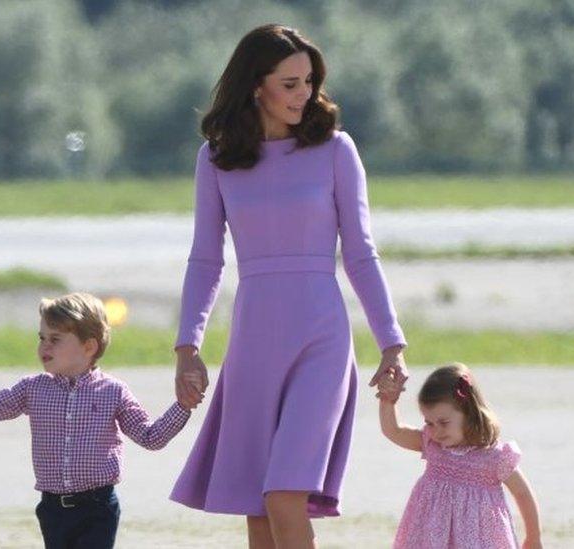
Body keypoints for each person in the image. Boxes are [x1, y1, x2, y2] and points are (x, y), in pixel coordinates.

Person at [169, 24, 408, 548]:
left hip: (321, 337)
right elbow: (206, 258)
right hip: (253, 340)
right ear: (257, 85)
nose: (305, 94)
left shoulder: (335, 150)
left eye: (309, 82)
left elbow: (361, 253)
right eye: (290, 83)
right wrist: (188, 347)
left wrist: (392, 344)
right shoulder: (216, 158)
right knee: (256, 507)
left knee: (283, 493)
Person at [0, 293, 191, 549]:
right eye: (42, 338)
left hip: (97, 507)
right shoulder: (33, 388)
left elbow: (150, 437)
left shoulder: (113, 391)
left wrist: (183, 405)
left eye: (55, 339)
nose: (44, 346)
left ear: (89, 346)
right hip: (53, 509)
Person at [377, 363, 543, 548]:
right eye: (429, 423)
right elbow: (394, 431)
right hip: (431, 538)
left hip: (477, 541)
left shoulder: (494, 457)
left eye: (444, 422)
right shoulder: (432, 443)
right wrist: (387, 401)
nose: (436, 431)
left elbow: (522, 493)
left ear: (468, 412)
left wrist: (533, 538)